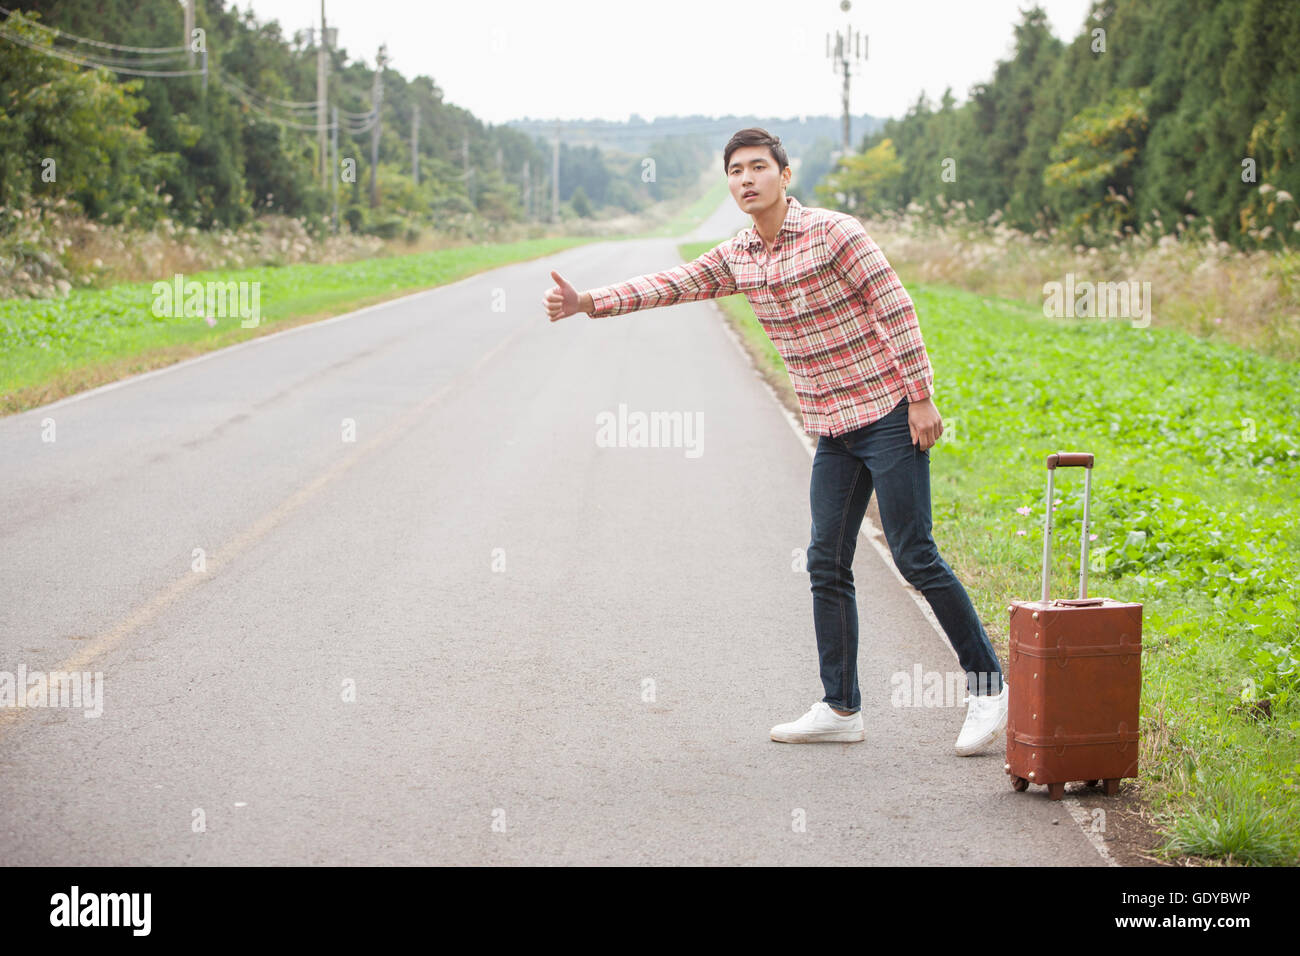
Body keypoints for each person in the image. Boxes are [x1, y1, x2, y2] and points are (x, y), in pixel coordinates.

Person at [543, 127, 1007, 755]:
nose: (746, 179)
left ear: (784, 176)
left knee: (913, 553)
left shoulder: (835, 232)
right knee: (825, 560)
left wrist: (920, 396)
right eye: (735, 171)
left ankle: (988, 689)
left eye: (758, 167)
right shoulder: (738, 256)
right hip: (833, 428)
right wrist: (588, 302)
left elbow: (894, 305)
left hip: (890, 413)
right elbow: (672, 283)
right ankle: (841, 707)